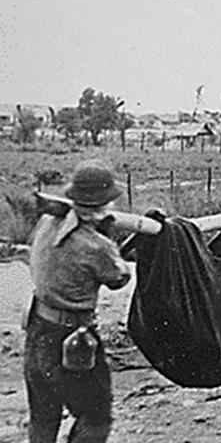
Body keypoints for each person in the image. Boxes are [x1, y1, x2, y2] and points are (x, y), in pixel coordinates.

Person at [25, 160, 131, 443]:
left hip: (37, 332)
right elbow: (120, 278)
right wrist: (107, 238)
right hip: (73, 340)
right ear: (105, 203)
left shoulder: (47, 222)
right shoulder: (97, 246)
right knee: (97, 419)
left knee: (43, 416)